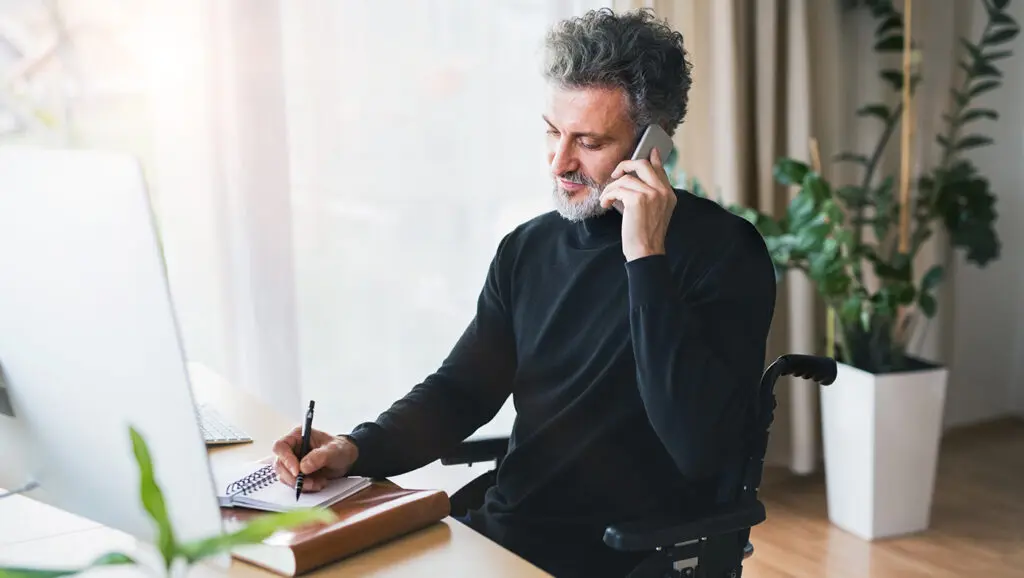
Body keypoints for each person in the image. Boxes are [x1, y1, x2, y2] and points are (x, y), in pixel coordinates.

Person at [272, 8, 776, 577]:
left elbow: (700, 449)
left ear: (651, 145)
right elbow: (461, 390)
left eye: (588, 141)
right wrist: (356, 450)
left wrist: (645, 261)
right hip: (504, 534)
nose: (560, 161)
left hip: (624, 555)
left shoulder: (724, 254)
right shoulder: (528, 249)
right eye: (552, 131)